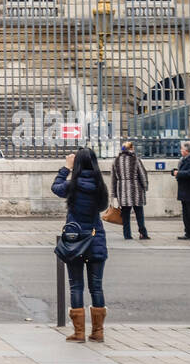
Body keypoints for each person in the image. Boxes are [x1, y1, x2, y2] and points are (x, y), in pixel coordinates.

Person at [52, 146, 109, 343]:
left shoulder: (72, 184)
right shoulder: (100, 185)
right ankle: (98, 331)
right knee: (97, 287)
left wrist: (66, 168)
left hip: (75, 240)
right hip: (95, 239)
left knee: (76, 286)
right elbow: (102, 207)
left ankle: (79, 333)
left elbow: (55, 188)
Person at [111, 140, 150, 240]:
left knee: (125, 215)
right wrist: (145, 186)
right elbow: (142, 174)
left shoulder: (116, 161)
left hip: (122, 190)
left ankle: (127, 235)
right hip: (136, 190)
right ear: (131, 148)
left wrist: (114, 194)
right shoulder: (135, 159)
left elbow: (113, 179)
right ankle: (143, 233)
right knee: (139, 213)